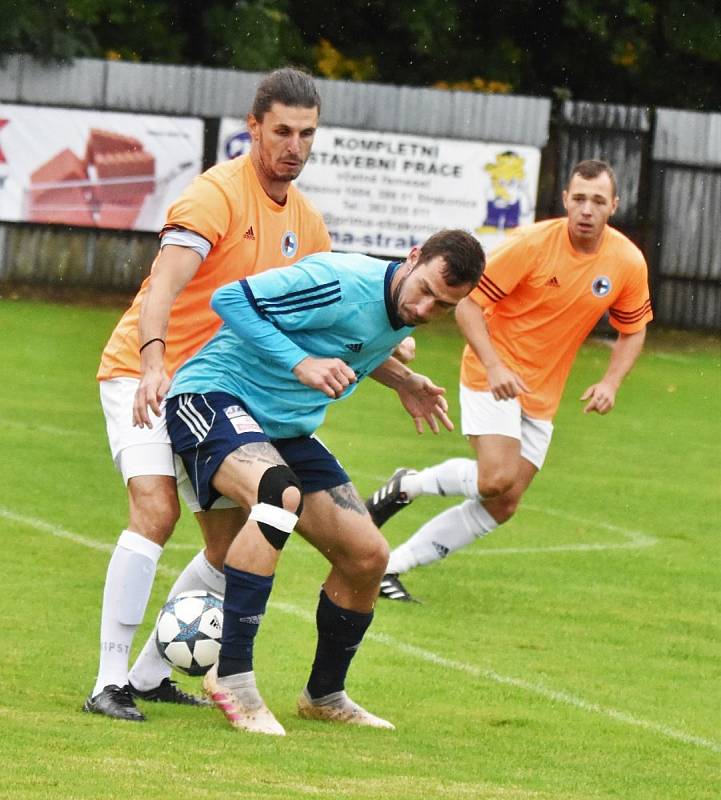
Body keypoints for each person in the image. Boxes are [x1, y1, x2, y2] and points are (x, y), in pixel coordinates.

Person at [84, 67, 333, 722]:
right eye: (281, 131)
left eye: (306, 133)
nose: (294, 146)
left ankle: (146, 676)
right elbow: (161, 287)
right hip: (141, 374)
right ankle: (106, 681)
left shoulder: (307, 224)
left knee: (227, 548)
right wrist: (152, 363)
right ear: (253, 128)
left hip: (211, 396)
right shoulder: (213, 196)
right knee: (156, 511)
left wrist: (398, 365)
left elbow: (316, 317)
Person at [164, 229, 485, 734]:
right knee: (277, 497)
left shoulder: (403, 313)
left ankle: (325, 694)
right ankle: (233, 677)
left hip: (285, 427)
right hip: (212, 396)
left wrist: (404, 381)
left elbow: (352, 341)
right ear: (413, 256)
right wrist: (301, 364)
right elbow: (229, 299)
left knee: (368, 556)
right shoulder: (338, 279)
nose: (425, 309)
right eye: (424, 290)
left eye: (444, 306)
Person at [366, 159, 653, 602]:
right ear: (565, 200)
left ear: (613, 205)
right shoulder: (533, 244)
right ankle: (410, 485)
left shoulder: (626, 261)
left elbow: (633, 328)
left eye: (598, 200)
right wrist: (496, 365)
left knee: (503, 503)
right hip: (491, 371)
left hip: (542, 392)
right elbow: (467, 306)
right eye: (579, 198)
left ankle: (391, 565)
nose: (587, 209)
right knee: (494, 478)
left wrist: (611, 382)